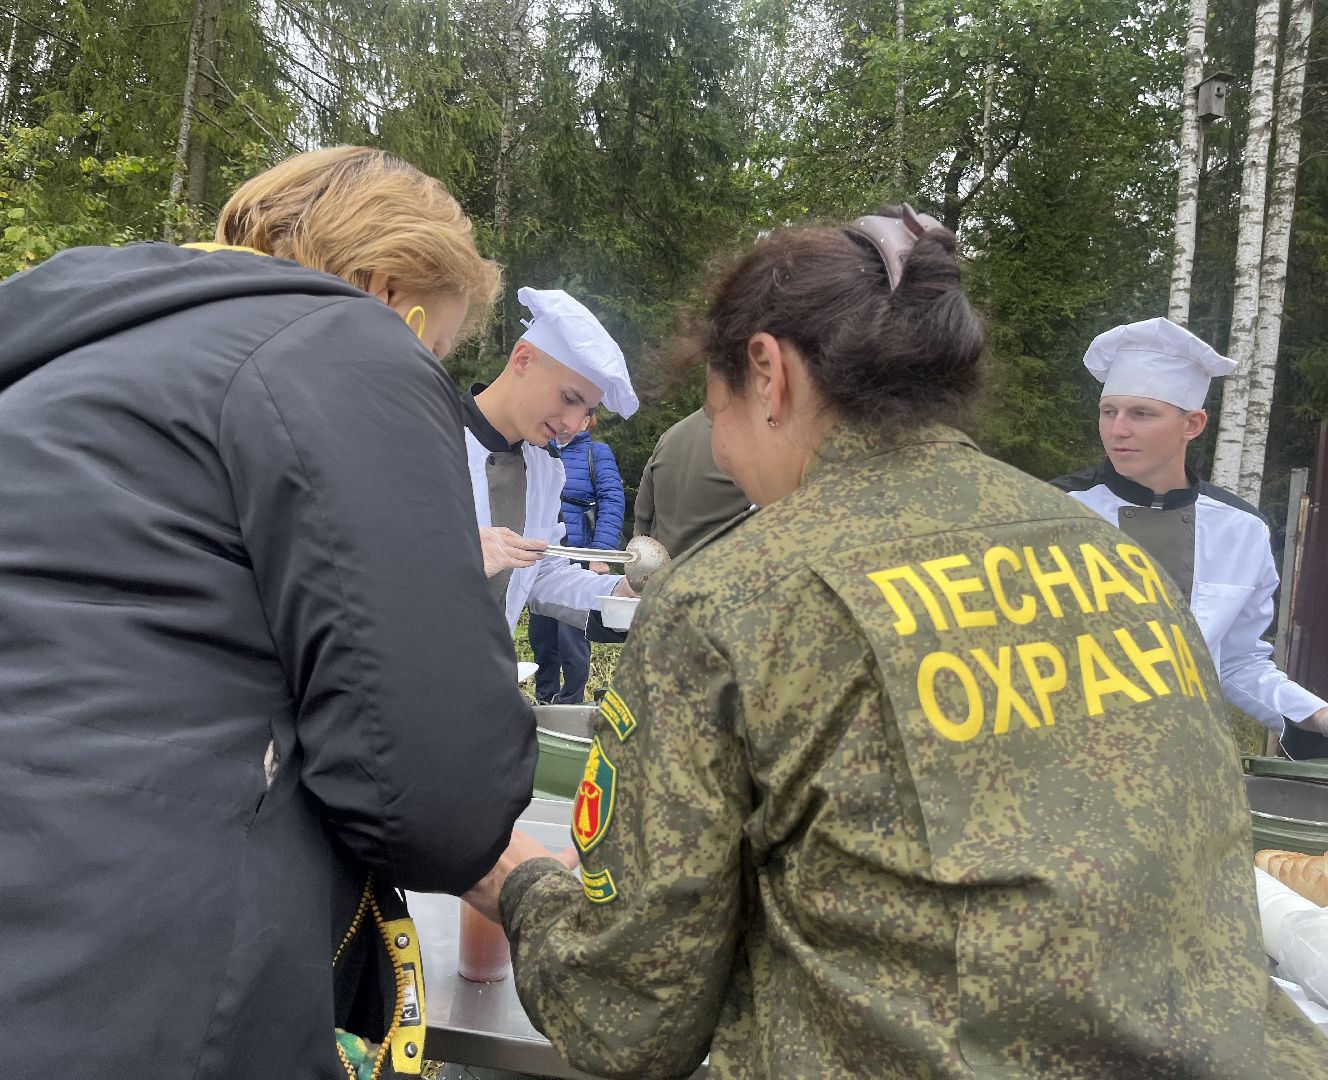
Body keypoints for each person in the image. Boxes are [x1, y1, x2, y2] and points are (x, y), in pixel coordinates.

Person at [465, 209, 1328, 1078]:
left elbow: (629, 1015)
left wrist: (518, 884)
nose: (721, 448)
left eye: (713, 404)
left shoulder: (735, 597)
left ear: (767, 372)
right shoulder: (1114, 558)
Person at [0, 146, 537, 1080]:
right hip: (118, 992)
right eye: (435, 344)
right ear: (391, 289)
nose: (426, 367)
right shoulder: (346, 337)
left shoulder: (25, 373)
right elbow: (433, 792)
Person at [1050, 318, 1328, 745]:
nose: (1118, 429)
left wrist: (1318, 716)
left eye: (1141, 413)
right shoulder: (1053, 511)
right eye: (1109, 411)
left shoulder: (1241, 531)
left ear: (1192, 425)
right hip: (1065, 752)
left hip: (1182, 758)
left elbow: (1235, 664)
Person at [466, 287, 638, 632]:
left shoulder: (546, 468)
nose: (574, 424)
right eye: (569, 397)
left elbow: (542, 571)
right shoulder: (426, 437)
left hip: (485, 674)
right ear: (523, 360)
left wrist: (619, 592)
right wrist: (458, 556)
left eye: (587, 410)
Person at [529, 411, 625, 704]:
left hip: (581, 556)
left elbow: (612, 500)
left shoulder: (597, 452)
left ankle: (571, 700)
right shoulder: (540, 450)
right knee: (542, 637)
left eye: (578, 416)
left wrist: (600, 554)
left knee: (572, 638)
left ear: (587, 422)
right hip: (545, 554)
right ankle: (545, 699)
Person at [633, 406, 749, 557]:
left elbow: (642, 519)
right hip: (723, 571)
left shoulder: (670, 436)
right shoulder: (759, 439)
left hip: (662, 573)